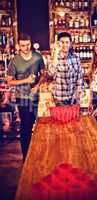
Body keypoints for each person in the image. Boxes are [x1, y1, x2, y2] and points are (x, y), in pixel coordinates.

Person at [7, 33, 45, 161]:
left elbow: (43, 74)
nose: (26, 47)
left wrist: (37, 85)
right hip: (22, 97)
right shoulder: (15, 60)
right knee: (26, 126)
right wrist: (26, 80)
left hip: (35, 96)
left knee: (34, 124)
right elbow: (9, 81)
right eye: (23, 45)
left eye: (28, 45)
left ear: (30, 43)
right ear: (19, 46)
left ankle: (33, 154)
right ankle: (26, 157)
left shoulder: (38, 57)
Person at [48, 32, 84, 106]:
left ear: (70, 43)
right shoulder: (54, 57)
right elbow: (51, 73)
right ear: (58, 43)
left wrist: (78, 95)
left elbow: (79, 77)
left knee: (74, 117)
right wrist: (56, 51)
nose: (65, 45)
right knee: (62, 117)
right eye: (62, 42)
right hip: (60, 97)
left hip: (73, 97)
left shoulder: (76, 57)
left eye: (67, 42)